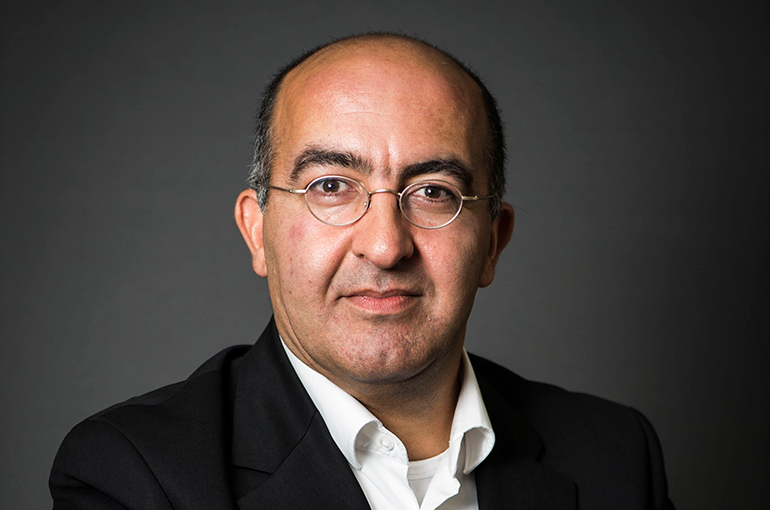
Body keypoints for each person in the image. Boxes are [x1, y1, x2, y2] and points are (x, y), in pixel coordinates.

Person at [50, 33, 674, 510]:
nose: (384, 246)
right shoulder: (132, 476)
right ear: (257, 231)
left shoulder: (615, 455)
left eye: (433, 192)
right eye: (330, 186)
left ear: (492, 243)